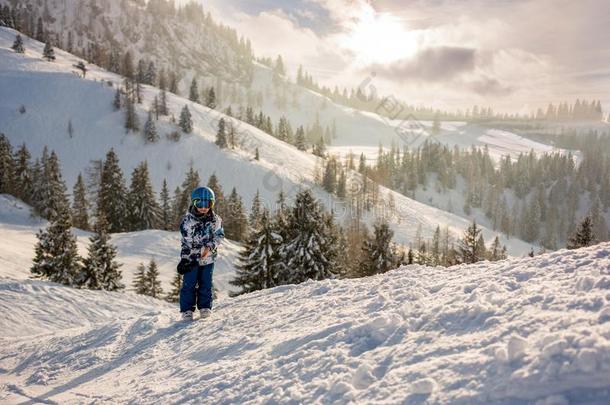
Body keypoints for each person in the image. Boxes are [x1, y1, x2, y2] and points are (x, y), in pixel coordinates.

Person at [177, 186, 225, 321]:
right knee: (189, 283)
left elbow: (219, 236)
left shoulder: (216, 220)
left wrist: (209, 247)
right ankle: (187, 310)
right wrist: (185, 258)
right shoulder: (188, 221)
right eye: (200, 204)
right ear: (194, 203)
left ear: (212, 204)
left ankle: (205, 307)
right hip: (192, 258)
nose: (203, 207)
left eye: (207, 204)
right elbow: (186, 242)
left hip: (208, 258)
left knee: (206, 283)